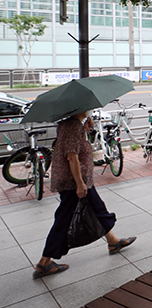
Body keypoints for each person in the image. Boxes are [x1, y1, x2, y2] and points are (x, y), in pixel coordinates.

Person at [33, 111, 136, 279]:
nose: (90, 110)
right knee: (64, 219)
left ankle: (113, 241)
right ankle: (44, 262)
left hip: (81, 180)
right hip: (74, 182)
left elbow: (74, 145)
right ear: (79, 109)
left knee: (97, 209)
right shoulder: (72, 126)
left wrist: (85, 130)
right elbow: (72, 156)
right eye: (87, 108)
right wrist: (80, 184)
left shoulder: (69, 125)